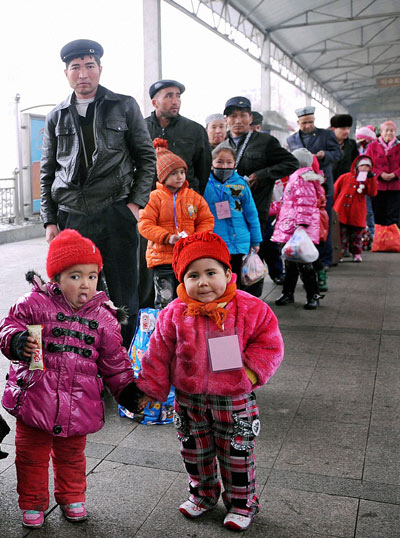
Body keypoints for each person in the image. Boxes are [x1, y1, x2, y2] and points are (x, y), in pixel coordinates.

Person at [135, 231, 284, 531]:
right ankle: (202, 493)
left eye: (211, 273)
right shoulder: (174, 313)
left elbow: (270, 343)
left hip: (234, 400)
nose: (203, 282)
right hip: (189, 400)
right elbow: (158, 353)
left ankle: (242, 503)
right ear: (182, 280)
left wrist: (249, 375)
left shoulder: (249, 307)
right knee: (194, 450)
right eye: (193, 275)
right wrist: (152, 389)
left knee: (237, 454)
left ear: (229, 273)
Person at [0, 230, 141, 529]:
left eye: (92, 276)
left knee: (72, 456)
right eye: (75, 276)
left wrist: (126, 390)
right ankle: (33, 502)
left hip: (79, 402)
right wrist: (16, 341)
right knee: (30, 456)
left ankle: (72, 496)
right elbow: (7, 328)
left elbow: (115, 362)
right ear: (56, 278)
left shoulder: (104, 318)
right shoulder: (33, 304)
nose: (86, 284)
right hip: (35, 399)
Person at [40, 39, 156, 350]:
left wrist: (134, 204)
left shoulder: (125, 105)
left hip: (116, 211)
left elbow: (146, 158)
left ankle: (123, 360)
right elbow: (48, 170)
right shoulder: (56, 115)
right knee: (73, 293)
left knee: (123, 292)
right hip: (71, 215)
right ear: (66, 73)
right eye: (75, 67)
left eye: (89, 66)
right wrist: (50, 220)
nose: (83, 73)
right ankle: (82, 359)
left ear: (100, 70)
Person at [224, 96, 299, 296]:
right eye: (233, 116)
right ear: (226, 120)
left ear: (250, 119)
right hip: (226, 213)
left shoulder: (265, 141)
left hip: (255, 210)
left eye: (242, 115)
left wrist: (263, 175)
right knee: (229, 260)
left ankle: (252, 303)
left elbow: (291, 163)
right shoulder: (222, 143)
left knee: (251, 257)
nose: (237, 120)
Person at [138, 139, 214, 309]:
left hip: (188, 258)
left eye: (182, 172)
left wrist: (196, 238)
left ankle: (186, 328)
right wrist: (167, 237)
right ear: (163, 176)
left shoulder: (193, 197)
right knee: (165, 299)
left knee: (189, 298)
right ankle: (166, 330)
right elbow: (144, 224)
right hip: (162, 260)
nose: (179, 177)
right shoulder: (154, 198)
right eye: (174, 173)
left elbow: (206, 219)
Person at [287, 106, 342, 274]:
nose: (308, 125)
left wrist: (325, 155)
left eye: (311, 122)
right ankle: (304, 256)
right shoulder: (291, 140)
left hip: (322, 186)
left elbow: (338, 154)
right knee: (303, 224)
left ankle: (325, 259)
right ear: (298, 123)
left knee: (323, 223)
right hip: (301, 189)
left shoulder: (326, 135)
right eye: (304, 123)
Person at [272, 148, 327, 309]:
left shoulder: (301, 178)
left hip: (298, 229)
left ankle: (313, 294)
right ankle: (288, 293)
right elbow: (288, 202)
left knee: (303, 263)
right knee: (290, 262)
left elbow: (305, 203)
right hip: (293, 227)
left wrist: (301, 226)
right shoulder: (298, 177)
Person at [203, 141, 262, 286]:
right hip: (216, 242)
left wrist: (256, 241)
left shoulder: (241, 184)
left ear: (235, 163)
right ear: (212, 164)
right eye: (219, 162)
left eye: (229, 162)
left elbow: (252, 214)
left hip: (240, 242)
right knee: (220, 280)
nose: (224, 166)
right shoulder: (204, 184)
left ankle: (239, 307)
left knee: (238, 282)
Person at [145, 79, 211, 194]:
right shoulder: (140, 129)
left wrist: (194, 195)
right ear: (155, 103)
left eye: (178, 96)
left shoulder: (195, 130)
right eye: (169, 96)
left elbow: (203, 171)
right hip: (150, 201)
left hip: (186, 200)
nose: (175, 102)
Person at [333, 156, 378, 262]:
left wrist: (371, 179)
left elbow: (372, 192)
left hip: (357, 212)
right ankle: (341, 252)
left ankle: (356, 253)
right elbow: (335, 191)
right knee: (340, 234)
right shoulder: (345, 177)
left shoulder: (368, 180)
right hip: (341, 210)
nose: (365, 168)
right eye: (362, 165)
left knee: (356, 235)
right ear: (357, 167)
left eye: (367, 166)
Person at [366, 120, 400, 226]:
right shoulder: (372, 146)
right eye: (387, 130)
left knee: (394, 215)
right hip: (377, 186)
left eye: (392, 131)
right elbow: (367, 163)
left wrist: (395, 174)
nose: (389, 133)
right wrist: (380, 174)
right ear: (381, 131)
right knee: (377, 214)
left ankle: (393, 239)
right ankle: (379, 239)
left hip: (396, 187)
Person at [356, 125, 377, 247]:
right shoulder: (357, 149)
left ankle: (372, 235)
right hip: (357, 183)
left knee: (368, 211)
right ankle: (363, 236)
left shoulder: (372, 149)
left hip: (367, 182)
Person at [330, 114, 359, 181]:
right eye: (343, 129)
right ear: (333, 129)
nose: (346, 131)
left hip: (346, 182)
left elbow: (356, 162)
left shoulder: (352, 144)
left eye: (348, 128)